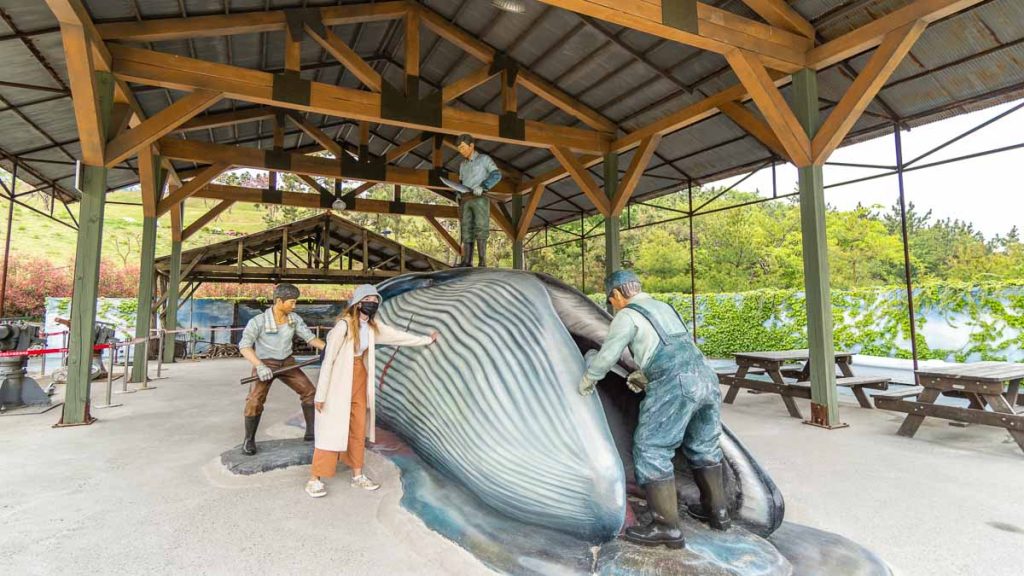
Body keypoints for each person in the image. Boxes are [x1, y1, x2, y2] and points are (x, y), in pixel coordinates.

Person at [579, 270, 730, 549]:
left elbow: (609, 354)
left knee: (651, 448)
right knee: (703, 446)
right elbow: (675, 350)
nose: (612, 306)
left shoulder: (627, 315)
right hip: (706, 378)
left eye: (611, 301)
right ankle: (718, 513)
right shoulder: (665, 308)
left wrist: (587, 381)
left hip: (676, 384)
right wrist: (646, 375)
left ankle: (666, 527)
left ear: (617, 295)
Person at [305, 284, 439, 497]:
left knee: (358, 428)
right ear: (357, 303)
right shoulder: (343, 326)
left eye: (375, 300)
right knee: (331, 429)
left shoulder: (374, 327)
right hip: (338, 382)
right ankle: (315, 479)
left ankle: (357, 475)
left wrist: (426, 340)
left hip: (360, 377)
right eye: (368, 299)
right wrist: (321, 394)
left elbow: (399, 337)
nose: (372, 303)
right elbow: (328, 361)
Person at [238, 283, 326, 456]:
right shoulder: (258, 321)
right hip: (265, 364)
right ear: (279, 301)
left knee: (310, 392)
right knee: (254, 401)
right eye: (292, 302)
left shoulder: (294, 319)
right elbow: (244, 346)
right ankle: (248, 440)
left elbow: (310, 338)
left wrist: (329, 348)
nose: (295, 306)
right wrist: (259, 365)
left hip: (287, 363)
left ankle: (311, 433)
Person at [455, 133, 501, 268]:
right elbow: (461, 181)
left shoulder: (484, 159)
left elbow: (497, 174)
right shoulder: (462, 165)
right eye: (459, 149)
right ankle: (467, 261)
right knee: (466, 228)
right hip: (465, 199)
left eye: (463, 147)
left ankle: (482, 262)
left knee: (481, 227)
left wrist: (484, 186)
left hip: (480, 198)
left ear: (471, 146)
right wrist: (458, 192)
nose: (461, 151)